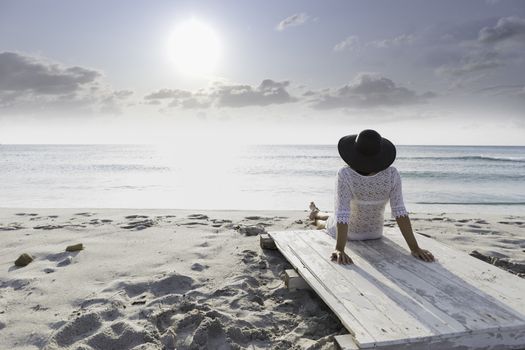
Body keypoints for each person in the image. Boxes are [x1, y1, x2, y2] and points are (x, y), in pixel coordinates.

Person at [309, 129, 434, 265]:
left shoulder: (345, 174)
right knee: (333, 216)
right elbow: (400, 212)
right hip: (375, 232)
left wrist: (340, 249)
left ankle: (315, 215)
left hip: (351, 234)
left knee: (326, 223)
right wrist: (414, 248)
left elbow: (342, 214)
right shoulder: (392, 174)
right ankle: (317, 212)